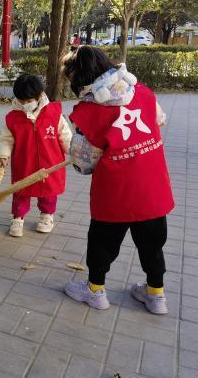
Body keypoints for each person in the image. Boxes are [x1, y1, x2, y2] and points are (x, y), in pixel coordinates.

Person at [62, 46, 173, 314]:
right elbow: (160, 119)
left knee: (102, 243)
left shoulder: (88, 113)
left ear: (79, 76)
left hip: (115, 194)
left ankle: (95, 291)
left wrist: (78, 150)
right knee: (152, 244)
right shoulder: (143, 92)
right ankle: (156, 295)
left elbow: (84, 164)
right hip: (152, 189)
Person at [0, 74, 72, 237]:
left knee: (48, 192)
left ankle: (47, 216)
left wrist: (73, 150)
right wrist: (3, 154)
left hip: (51, 163)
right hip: (24, 163)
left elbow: (64, 134)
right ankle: (17, 218)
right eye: (21, 101)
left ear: (39, 96)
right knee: (21, 191)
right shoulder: (13, 118)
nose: (25, 105)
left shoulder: (53, 113)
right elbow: (6, 139)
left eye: (28, 101)